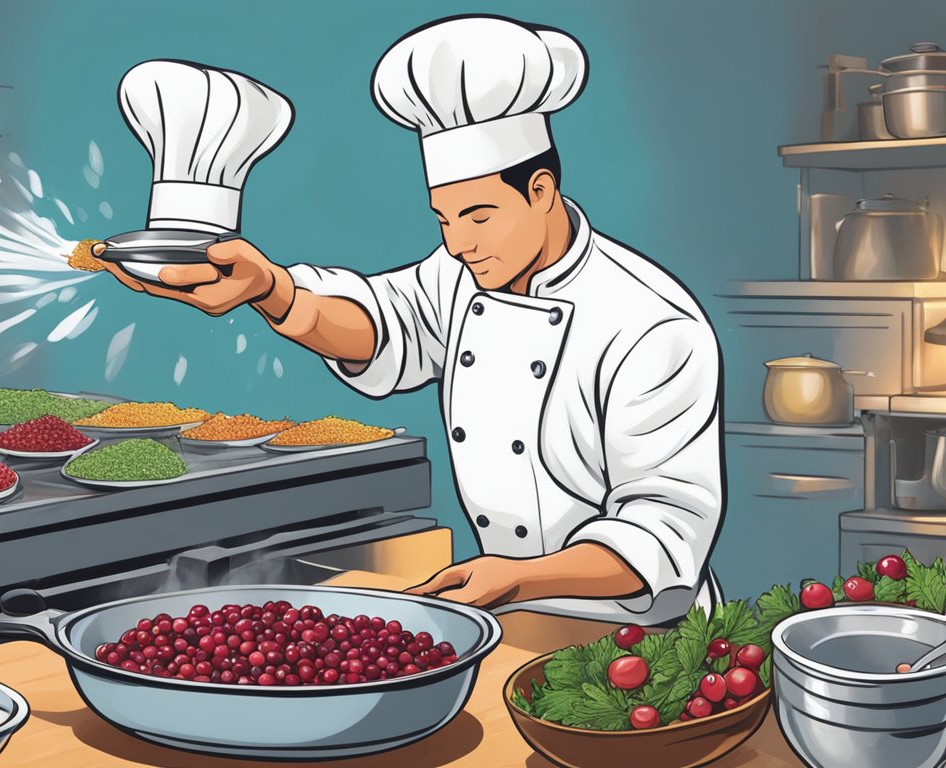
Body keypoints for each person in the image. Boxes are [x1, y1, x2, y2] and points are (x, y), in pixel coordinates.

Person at [97, 15, 723, 625]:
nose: (456, 244)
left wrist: (518, 574)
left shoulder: (651, 325)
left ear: (541, 189)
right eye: (443, 219)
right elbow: (382, 325)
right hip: (507, 610)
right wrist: (272, 290)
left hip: (638, 634)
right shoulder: (464, 273)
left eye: (477, 216)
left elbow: (663, 534)